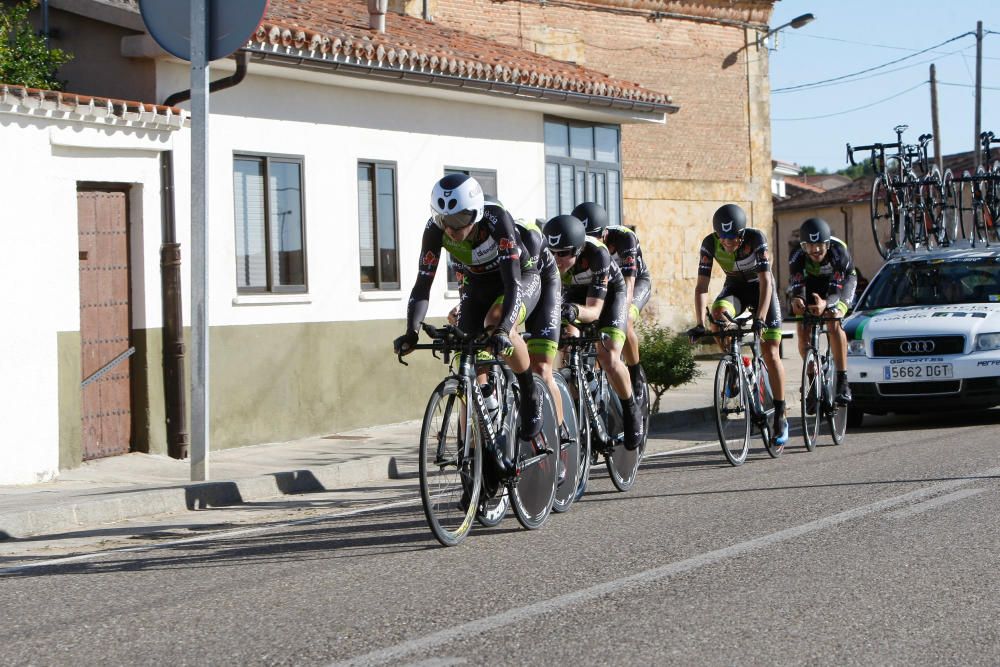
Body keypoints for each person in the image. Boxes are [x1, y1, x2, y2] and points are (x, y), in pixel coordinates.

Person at [393, 174, 542, 474]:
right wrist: (411, 330)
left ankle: (529, 389)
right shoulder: (435, 231)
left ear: (474, 213)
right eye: (444, 219)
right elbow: (423, 284)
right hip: (477, 285)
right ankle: (475, 470)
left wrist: (502, 331)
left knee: (497, 321)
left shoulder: (497, 220)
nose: (451, 228)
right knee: (467, 360)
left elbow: (512, 284)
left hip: (518, 280)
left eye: (460, 219)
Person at [689, 203, 789, 446]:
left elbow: (766, 281)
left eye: (734, 238)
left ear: (743, 233)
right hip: (736, 288)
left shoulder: (756, 239)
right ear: (716, 235)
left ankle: (781, 413)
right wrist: (699, 323)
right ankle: (735, 362)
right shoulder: (709, 243)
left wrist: (760, 319)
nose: (729, 242)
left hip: (761, 290)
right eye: (724, 238)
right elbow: (702, 286)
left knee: (771, 350)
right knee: (718, 316)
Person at [543, 213, 644, 451]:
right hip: (575, 297)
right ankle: (582, 409)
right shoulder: (547, 260)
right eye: (552, 252)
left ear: (578, 250)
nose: (556, 259)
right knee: (566, 346)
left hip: (609, 298)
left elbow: (595, 311)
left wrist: (571, 311)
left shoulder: (598, 254)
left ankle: (631, 410)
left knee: (608, 356)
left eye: (563, 253)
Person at [572, 202, 651, 405]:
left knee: (627, 319)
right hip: (599, 283)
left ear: (605, 234)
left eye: (594, 237)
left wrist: (621, 314)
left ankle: (635, 374)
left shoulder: (625, 238)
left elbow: (629, 282)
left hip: (632, 282)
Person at [788, 217, 857, 405]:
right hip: (812, 283)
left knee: (833, 318)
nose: (815, 250)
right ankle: (811, 381)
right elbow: (797, 286)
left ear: (827, 243)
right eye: (809, 246)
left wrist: (825, 304)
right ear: (803, 245)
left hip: (841, 284)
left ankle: (843, 381)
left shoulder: (838, 251)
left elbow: (835, 292)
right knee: (802, 331)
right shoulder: (796, 255)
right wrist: (798, 300)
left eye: (819, 245)